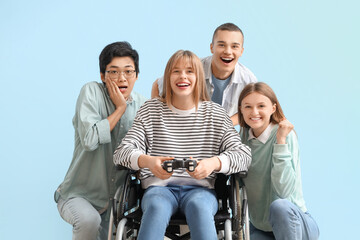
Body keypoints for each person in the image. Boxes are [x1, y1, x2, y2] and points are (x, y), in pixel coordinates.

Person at [114, 50, 252, 240]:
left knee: (200, 207)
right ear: (168, 77)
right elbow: (122, 152)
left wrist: (212, 164)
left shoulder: (215, 114)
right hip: (158, 189)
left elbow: (243, 155)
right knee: (156, 206)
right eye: (176, 71)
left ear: (199, 77)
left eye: (189, 71)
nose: (183, 77)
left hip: (201, 191)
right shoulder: (150, 110)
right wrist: (148, 162)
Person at [54, 41, 147, 240]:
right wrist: (120, 109)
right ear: (103, 76)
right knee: (89, 221)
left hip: (117, 202)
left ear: (136, 76)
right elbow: (89, 139)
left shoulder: (142, 105)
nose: (121, 78)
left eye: (128, 71)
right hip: (78, 195)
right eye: (113, 72)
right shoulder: (91, 92)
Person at [238, 82, 320, 240]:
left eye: (261, 105)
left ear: (273, 108)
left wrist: (280, 141)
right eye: (247, 107)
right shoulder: (242, 139)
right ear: (241, 109)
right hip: (261, 227)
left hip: (295, 222)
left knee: (279, 206)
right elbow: (238, 183)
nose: (254, 112)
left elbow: (283, 191)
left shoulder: (285, 134)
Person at [151, 22, 257, 126]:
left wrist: (227, 123)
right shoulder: (193, 68)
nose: (228, 51)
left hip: (219, 135)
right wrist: (158, 120)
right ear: (212, 48)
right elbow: (157, 84)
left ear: (241, 51)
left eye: (234, 46)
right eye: (221, 45)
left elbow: (251, 108)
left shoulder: (248, 80)